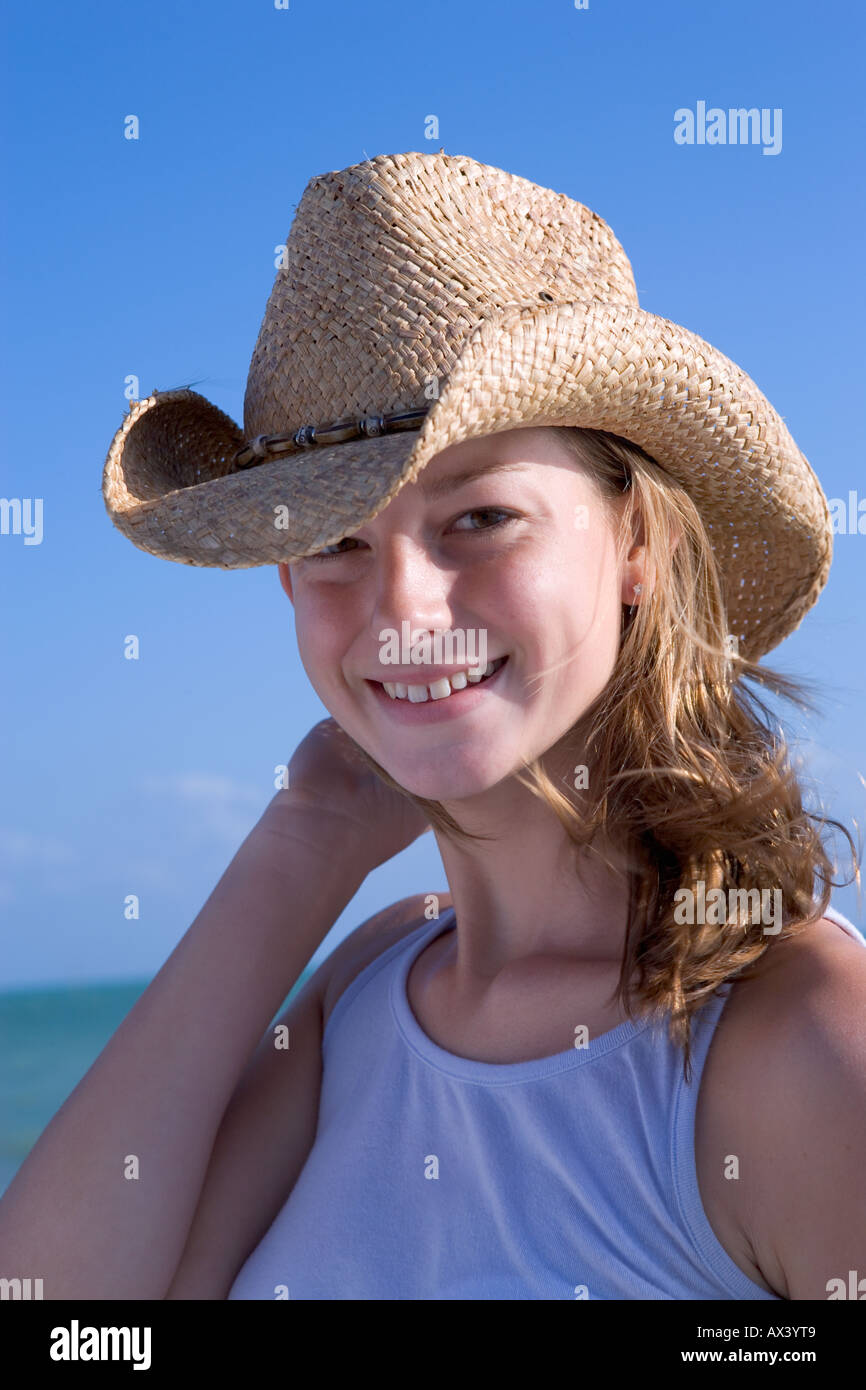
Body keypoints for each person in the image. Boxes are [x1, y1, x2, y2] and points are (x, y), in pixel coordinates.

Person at [1, 151, 864, 1301]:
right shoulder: (369, 989)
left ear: (637, 548)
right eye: (335, 542)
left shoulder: (788, 1045)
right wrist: (306, 836)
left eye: (480, 517)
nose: (404, 607)